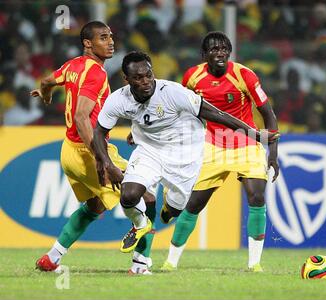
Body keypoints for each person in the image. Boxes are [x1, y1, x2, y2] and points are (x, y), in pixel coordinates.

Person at [91, 51, 279, 274]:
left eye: (148, 75)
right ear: (127, 79)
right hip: (149, 151)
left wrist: (253, 134)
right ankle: (141, 226)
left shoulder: (172, 92)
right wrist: (107, 164)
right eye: (138, 78)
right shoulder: (118, 100)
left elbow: (216, 113)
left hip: (183, 156)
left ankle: (169, 206)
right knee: (129, 195)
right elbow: (99, 131)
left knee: (177, 210)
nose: (145, 81)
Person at [30, 21, 153, 274]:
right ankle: (141, 265)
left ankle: (51, 258)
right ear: (88, 43)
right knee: (146, 194)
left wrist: (45, 94)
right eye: (103, 38)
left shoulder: (73, 65)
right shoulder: (95, 73)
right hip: (89, 152)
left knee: (95, 206)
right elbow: (81, 117)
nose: (110, 42)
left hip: (68, 152)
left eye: (111, 37)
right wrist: (102, 159)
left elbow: (46, 81)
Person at [161, 31, 279, 273]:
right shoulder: (192, 77)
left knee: (257, 197)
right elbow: (182, 110)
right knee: (193, 204)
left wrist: (273, 156)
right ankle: (170, 262)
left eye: (224, 48)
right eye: (214, 49)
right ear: (204, 55)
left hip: (247, 145)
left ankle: (254, 264)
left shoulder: (244, 75)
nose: (220, 52)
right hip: (212, 146)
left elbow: (269, 115)